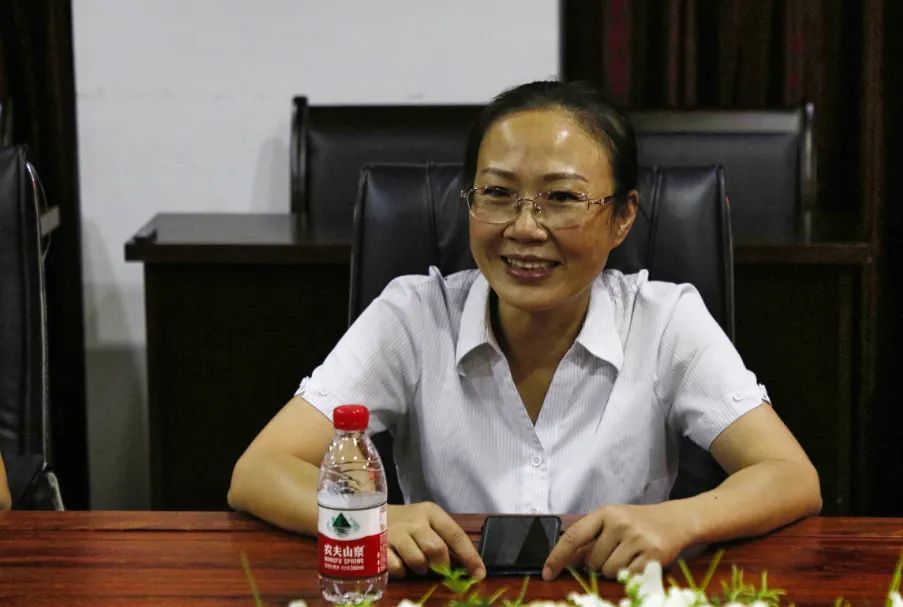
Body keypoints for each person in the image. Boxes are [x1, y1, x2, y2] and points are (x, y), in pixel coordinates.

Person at [228, 80, 821, 581]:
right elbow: (259, 470)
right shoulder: (414, 315)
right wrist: (375, 520)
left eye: (561, 197)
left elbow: (791, 476)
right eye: (498, 194)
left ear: (623, 218)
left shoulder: (664, 320)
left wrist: (680, 520)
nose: (525, 228)